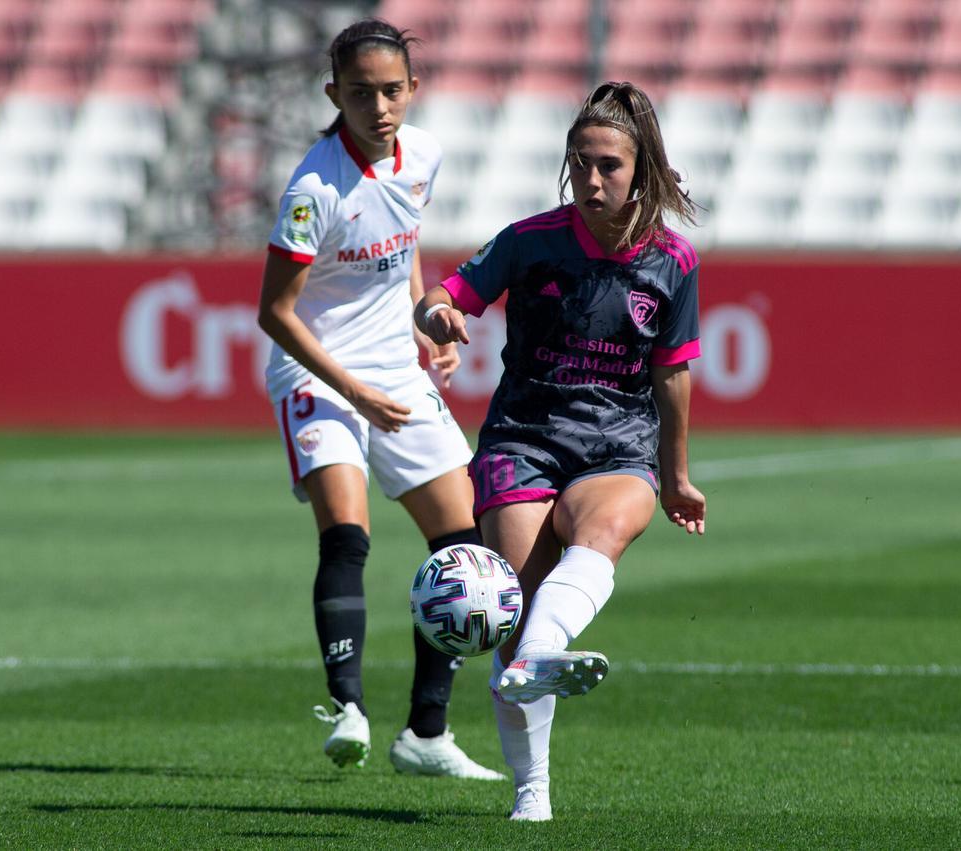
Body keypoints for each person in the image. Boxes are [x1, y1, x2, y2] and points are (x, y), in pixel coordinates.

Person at [414, 81, 707, 820]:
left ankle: (546, 644)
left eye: (608, 165)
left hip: (618, 444)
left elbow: (672, 374)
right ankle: (532, 789)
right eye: (580, 164)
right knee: (513, 613)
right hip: (524, 440)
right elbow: (445, 294)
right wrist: (440, 314)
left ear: (640, 171)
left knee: (603, 532)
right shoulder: (530, 240)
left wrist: (675, 478)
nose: (591, 180)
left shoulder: (674, 262)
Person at [257, 18, 502, 781]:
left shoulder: (422, 154)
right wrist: (352, 388)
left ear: (413, 90)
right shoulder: (313, 189)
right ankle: (348, 707)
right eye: (360, 93)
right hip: (316, 371)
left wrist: (429, 321)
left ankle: (426, 732)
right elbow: (275, 313)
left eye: (392, 90)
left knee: (467, 543)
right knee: (348, 537)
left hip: (394, 370)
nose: (379, 105)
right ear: (335, 94)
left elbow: (404, 243)